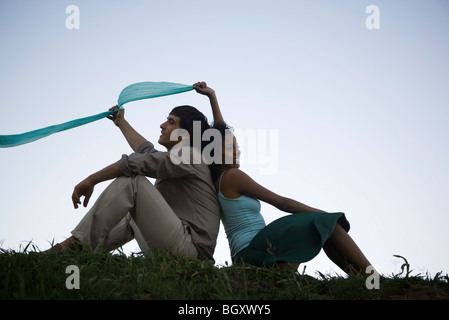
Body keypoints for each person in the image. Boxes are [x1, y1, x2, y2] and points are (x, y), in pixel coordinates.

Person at [194, 81, 374, 274]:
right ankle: (375, 278)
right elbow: (283, 203)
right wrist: (324, 214)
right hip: (254, 249)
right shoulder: (233, 176)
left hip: (245, 253)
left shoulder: (216, 179)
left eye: (236, 146)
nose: (237, 151)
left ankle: (360, 279)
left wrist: (213, 98)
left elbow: (219, 133)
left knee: (325, 229)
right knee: (326, 222)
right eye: (230, 148)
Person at [43, 103, 221, 262]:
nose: (162, 125)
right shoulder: (179, 160)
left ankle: (74, 245)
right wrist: (121, 122)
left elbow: (138, 162)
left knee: (134, 181)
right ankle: (84, 252)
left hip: (191, 252)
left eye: (171, 122)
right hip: (178, 246)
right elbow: (147, 152)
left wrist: (92, 180)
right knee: (132, 209)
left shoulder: (191, 155)